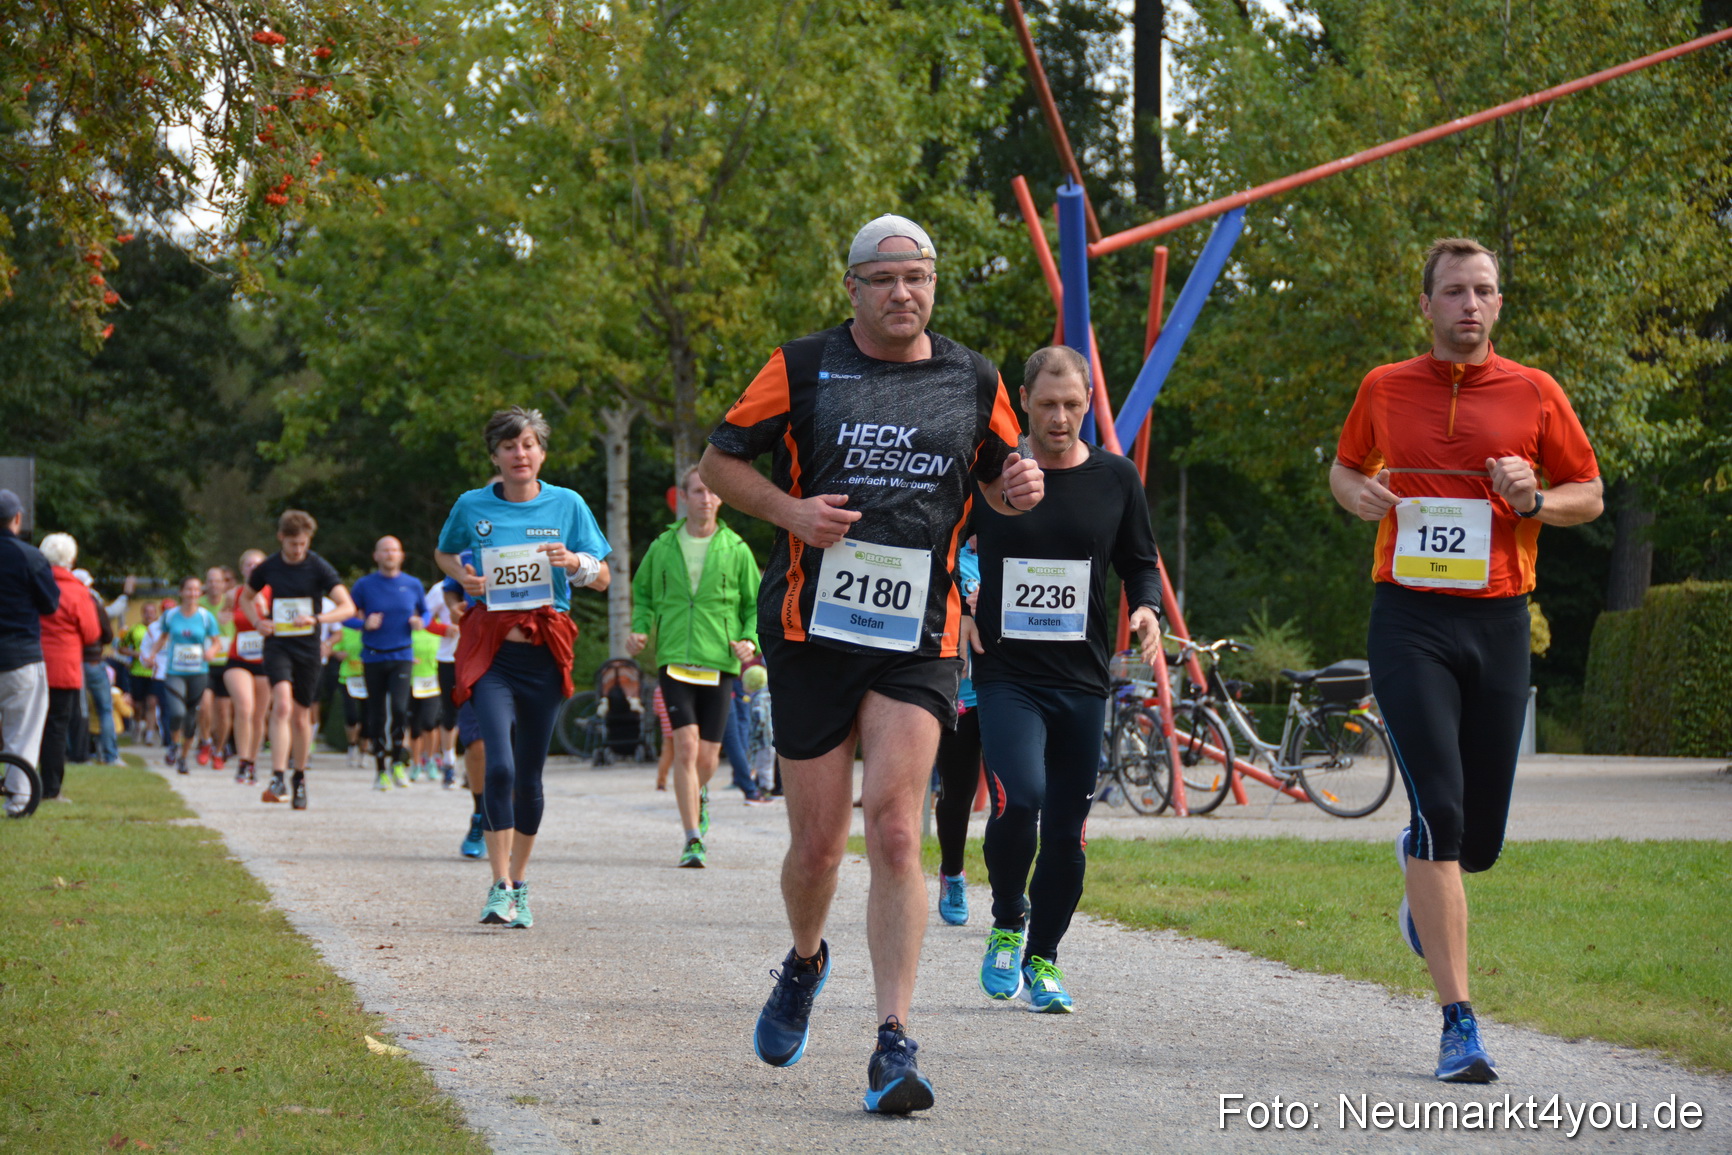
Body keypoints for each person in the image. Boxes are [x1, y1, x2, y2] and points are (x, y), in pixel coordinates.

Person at [700, 214, 1043, 1114]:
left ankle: (893, 1039)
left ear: (934, 285)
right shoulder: (803, 364)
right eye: (885, 278)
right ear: (851, 287)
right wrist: (792, 513)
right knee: (816, 847)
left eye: (918, 278)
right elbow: (721, 461)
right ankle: (806, 962)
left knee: (896, 827)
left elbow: (1008, 472)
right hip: (812, 631)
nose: (904, 293)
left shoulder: (972, 377)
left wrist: (1021, 485)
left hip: (920, 634)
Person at [1330, 237, 1603, 1083]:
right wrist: (1361, 494)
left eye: (1483, 291)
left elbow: (1588, 492)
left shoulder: (1535, 392)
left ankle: (1425, 891)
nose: (1470, 306)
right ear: (1427, 305)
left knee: (1476, 842)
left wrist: (1535, 497)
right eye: (1454, 292)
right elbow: (1344, 471)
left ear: (1498, 304)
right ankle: (1459, 1024)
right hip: (1408, 621)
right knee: (1440, 811)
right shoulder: (1384, 387)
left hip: (1497, 621)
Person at [967, 346, 1164, 1013]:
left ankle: (1044, 956)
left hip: (1081, 683)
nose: (1060, 417)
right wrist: (955, 605)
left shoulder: (1116, 478)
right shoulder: (995, 476)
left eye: (1073, 404)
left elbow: (1141, 560)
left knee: (1068, 830)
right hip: (1007, 674)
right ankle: (1005, 917)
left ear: (1088, 403)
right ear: (1023, 399)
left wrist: (1145, 607)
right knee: (1020, 798)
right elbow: (942, 545)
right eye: (1047, 403)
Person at [435, 406, 610, 930]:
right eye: (509, 446)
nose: (520, 454)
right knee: (499, 765)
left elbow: (603, 578)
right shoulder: (472, 506)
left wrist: (575, 564)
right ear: (495, 455)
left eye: (529, 445)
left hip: (545, 651)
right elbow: (445, 554)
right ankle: (498, 885)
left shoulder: (568, 504)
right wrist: (464, 578)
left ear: (541, 453)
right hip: (492, 652)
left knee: (530, 775)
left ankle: (520, 881)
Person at [627, 466, 762, 866]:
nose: (705, 498)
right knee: (685, 746)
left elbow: (754, 605)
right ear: (683, 497)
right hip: (673, 658)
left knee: (707, 757)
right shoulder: (662, 546)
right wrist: (639, 631)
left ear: (721, 498)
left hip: (719, 659)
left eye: (711, 491)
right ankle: (692, 838)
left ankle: (699, 795)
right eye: (697, 491)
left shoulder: (736, 549)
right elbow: (643, 594)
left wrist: (749, 640)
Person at [248, 510, 355, 809]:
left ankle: (299, 776)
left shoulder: (318, 567)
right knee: (281, 703)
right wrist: (258, 622)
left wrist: (317, 618)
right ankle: (277, 775)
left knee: (300, 714)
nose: (299, 550)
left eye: (304, 544)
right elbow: (245, 597)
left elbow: (348, 607)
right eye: (293, 543)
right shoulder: (268, 567)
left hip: (308, 648)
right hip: (278, 645)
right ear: (281, 537)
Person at [348, 536, 430, 789]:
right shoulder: (364, 584)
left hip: (402, 655)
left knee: (398, 708)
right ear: (376, 556)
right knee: (376, 711)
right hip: (373, 655)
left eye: (394, 550)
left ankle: (398, 762)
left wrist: (421, 622)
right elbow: (345, 614)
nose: (389, 554)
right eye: (384, 550)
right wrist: (363, 623)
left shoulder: (413, 584)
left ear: (401, 555)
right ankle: (380, 769)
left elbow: (425, 612)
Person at [931, 537, 981, 926]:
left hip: (1006, 690)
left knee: (1014, 797)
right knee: (957, 793)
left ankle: (1008, 887)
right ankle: (953, 873)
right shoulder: (951, 558)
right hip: (959, 693)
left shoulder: (1017, 552)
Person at [0, 490, 59, 810]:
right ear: (17, 519)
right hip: (20, 658)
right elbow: (50, 604)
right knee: (23, 732)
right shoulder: (31, 557)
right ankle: (18, 800)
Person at [36, 534, 101, 801]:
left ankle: (22, 782)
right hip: (64, 670)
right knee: (56, 728)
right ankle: (51, 789)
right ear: (71, 559)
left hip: (32, 664)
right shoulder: (77, 591)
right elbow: (91, 633)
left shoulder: (33, 584)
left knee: (29, 726)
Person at [146, 576, 226, 774]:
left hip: (198, 673)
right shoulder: (170, 616)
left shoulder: (206, 617)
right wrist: (152, 654)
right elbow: (163, 637)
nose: (193, 594)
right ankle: (173, 744)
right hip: (175, 672)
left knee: (191, 718)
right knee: (176, 712)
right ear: (181, 592)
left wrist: (211, 652)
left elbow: (217, 642)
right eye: (189, 589)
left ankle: (183, 757)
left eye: (197, 590)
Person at [221, 549, 271, 785]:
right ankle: (242, 760)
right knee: (244, 707)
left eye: (258, 565)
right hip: (238, 658)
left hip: (265, 660)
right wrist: (225, 618)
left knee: (260, 715)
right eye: (249, 565)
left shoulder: (274, 593)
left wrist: (263, 608)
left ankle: (252, 760)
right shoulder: (235, 594)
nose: (253, 568)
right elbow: (221, 621)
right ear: (242, 569)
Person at [117, 598, 162, 746]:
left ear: (156, 614)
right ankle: (137, 727)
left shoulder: (161, 630)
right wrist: (137, 654)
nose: (149, 615)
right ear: (142, 613)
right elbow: (121, 648)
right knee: (137, 704)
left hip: (154, 673)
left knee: (152, 702)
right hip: (137, 671)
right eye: (146, 612)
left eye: (152, 612)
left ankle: (149, 734)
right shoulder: (134, 629)